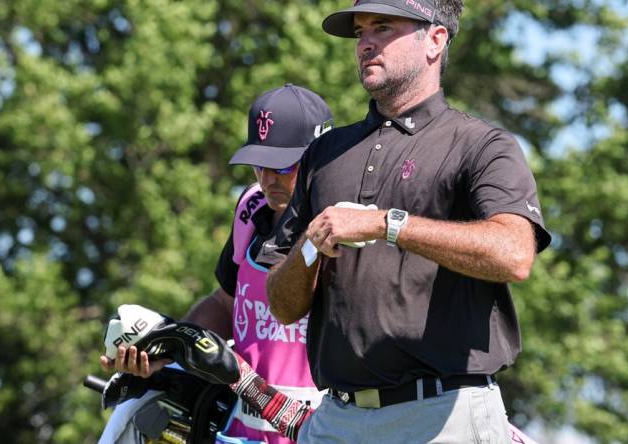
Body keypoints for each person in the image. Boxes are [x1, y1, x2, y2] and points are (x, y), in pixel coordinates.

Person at [265, 1, 552, 443]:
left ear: (435, 40)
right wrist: (311, 244)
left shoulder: (482, 145)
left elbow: (514, 255)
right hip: (336, 420)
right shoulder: (324, 155)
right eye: (361, 31)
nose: (365, 43)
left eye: (383, 27)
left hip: (444, 415)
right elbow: (282, 307)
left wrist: (388, 225)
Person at [100, 83, 335, 444]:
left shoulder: (341, 226)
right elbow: (224, 303)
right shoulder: (252, 208)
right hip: (236, 433)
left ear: (319, 154)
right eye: (259, 163)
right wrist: (166, 349)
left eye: (281, 165)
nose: (267, 178)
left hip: (315, 433)